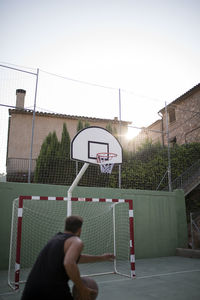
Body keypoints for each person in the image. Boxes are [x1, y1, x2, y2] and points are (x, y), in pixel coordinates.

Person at [21, 215, 114, 300]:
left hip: (31, 289)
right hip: (53, 290)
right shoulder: (76, 241)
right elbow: (69, 263)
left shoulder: (55, 239)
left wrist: (101, 257)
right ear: (80, 230)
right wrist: (82, 289)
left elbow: (76, 258)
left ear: (66, 227)